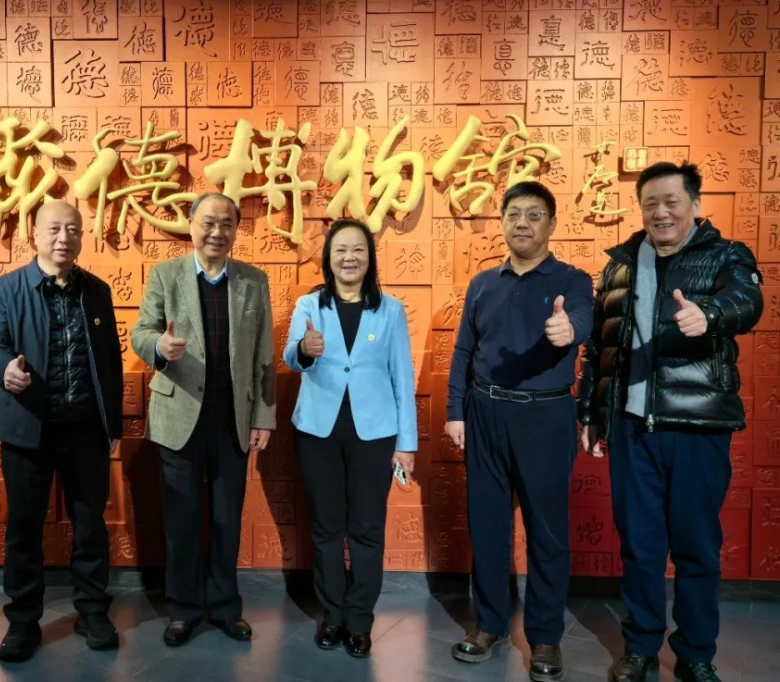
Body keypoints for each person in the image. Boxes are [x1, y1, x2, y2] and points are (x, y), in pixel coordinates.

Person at [578, 162, 762, 682]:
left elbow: (748, 301)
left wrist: (711, 315)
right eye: (650, 204)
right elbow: (599, 347)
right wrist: (591, 413)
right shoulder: (620, 266)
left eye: (671, 202)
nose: (660, 213)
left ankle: (696, 652)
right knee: (639, 545)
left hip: (697, 427)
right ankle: (640, 647)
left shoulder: (726, 255)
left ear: (695, 205)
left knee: (696, 546)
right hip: (632, 427)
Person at [445, 181, 594, 682]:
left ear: (552, 223)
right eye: (513, 214)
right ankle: (490, 625)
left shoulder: (573, 280)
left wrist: (568, 330)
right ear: (503, 222)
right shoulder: (483, 284)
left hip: (546, 417)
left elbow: (582, 318)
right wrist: (456, 411)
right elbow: (464, 351)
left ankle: (546, 637)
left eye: (534, 214)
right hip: (485, 412)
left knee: (547, 532)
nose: (522, 223)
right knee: (487, 526)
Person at [0, 200, 123, 662]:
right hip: (27, 430)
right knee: (23, 528)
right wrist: (5, 370)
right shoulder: (5, 289)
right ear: (34, 234)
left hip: (85, 431)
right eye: (54, 229)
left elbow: (110, 361)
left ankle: (92, 611)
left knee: (90, 527)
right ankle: (22, 620)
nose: (64, 237)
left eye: (72, 229)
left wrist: (112, 424)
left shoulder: (96, 291)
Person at [130, 192, 275, 647]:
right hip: (178, 418)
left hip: (232, 421)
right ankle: (184, 609)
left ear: (236, 230)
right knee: (182, 522)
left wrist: (264, 417)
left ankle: (226, 607)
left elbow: (264, 355)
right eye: (209, 222)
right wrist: (159, 347)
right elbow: (141, 332)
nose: (217, 232)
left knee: (227, 520)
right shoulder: (165, 275)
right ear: (191, 224)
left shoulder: (253, 280)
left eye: (227, 224)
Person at [283, 218, 417, 658]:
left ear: (370, 258)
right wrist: (305, 350)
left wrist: (407, 444)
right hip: (318, 431)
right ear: (328, 258)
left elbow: (402, 376)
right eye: (340, 249)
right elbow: (290, 357)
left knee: (366, 528)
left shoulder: (390, 310)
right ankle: (332, 615)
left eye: (358, 249)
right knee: (326, 528)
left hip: (373, 433)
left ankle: (359, 619)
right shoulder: (309, 305)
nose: (349, 258)